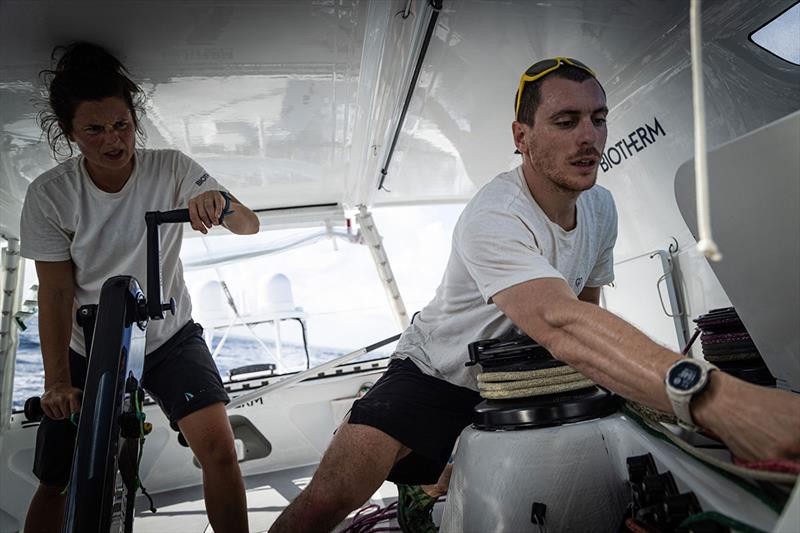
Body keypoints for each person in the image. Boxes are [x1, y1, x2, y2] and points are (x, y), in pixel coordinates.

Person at [269, 57, 800, 533]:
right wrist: (720, 402)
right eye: (566, 122)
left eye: (598, 118)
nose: (589, 137)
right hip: (439, 372)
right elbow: (559, 319)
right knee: (329, 499)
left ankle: (439, 475)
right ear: (521, 136)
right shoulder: (495, 215)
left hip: (532, 372)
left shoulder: (602, 209)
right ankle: (422, 472)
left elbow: (585, 311)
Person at [20, 42, 259, 533]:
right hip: (90, 345)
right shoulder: (50, 195)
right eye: (95, 129)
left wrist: (219, 200)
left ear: (134, 121)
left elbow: (248, 226)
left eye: (122, 125)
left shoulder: (170, 168)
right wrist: (57, 382)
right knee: (59, 476)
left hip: (169, 336)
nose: (113, 140)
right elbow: (56, 295)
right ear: (70, 134)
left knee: (218, 448)